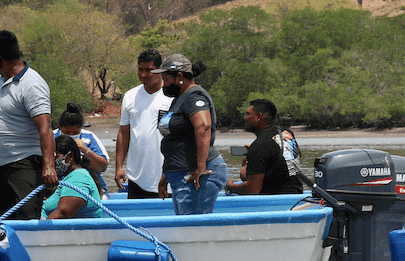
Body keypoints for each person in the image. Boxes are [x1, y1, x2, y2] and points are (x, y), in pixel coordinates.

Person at [0, 31, 57, 220]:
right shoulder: (0, 82)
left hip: (25, 165)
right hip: (2, 165)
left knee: (25, 222)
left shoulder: (32, 84)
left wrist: (49, 166)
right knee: (1, 224)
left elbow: (45, 127)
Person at [156, 54, 226, 215]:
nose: (163, 85)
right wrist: (165, 174)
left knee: (191, 229)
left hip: (197, 174)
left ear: (180, 76)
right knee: (184, 225)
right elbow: (175, 139)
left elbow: (203, 126)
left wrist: (200, 168)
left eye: (165, 80)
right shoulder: (179, 99)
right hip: (180, 174)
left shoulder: (194, 96)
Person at [114, 49, 169, 199]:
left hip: (167, 179)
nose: (143, 75)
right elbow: (124, 133)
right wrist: (119, 167)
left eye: (149, 70)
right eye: (140, 69)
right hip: (136, 178)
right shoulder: (130, 96)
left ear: (160, 69)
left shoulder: (172, 96)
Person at [226, 99, 303, 195]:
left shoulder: (259, 145)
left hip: (274, 200)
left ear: (258, 116)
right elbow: (298, 153)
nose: (245, 118)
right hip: (296, 194)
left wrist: (229, 187)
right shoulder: (286, 133)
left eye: (248, 114)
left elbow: (253, 189)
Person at [42, 135, 107, 220]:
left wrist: (39, 231)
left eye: (56, 158)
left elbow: (63, 213)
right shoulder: (71, 177)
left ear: (70, 156)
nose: (53, 162)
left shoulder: (78, 177)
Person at [56, 103, 110, 195]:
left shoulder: (89, 137)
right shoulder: (51, 138)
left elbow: (102, 167)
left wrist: (86, 150)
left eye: (75, 132)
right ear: (60, 126)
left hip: (89, 190)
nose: (71, 135)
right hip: (58, 189)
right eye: (67, 132)